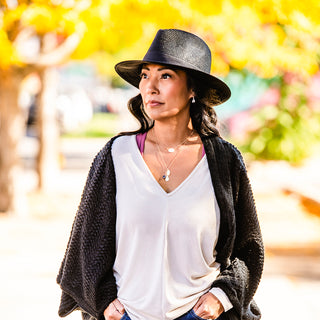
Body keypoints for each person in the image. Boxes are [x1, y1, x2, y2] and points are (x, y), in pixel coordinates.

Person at [57, 29, 264, 320]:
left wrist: (222, 296)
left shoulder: (224, 161)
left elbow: (249, 247)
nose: (150, 87)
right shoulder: (116, 156)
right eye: (145, 75)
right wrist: (104, 300)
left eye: (165, 76)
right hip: (128, 314)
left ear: (193, 89)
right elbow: (85, 246)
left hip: (201, 316)